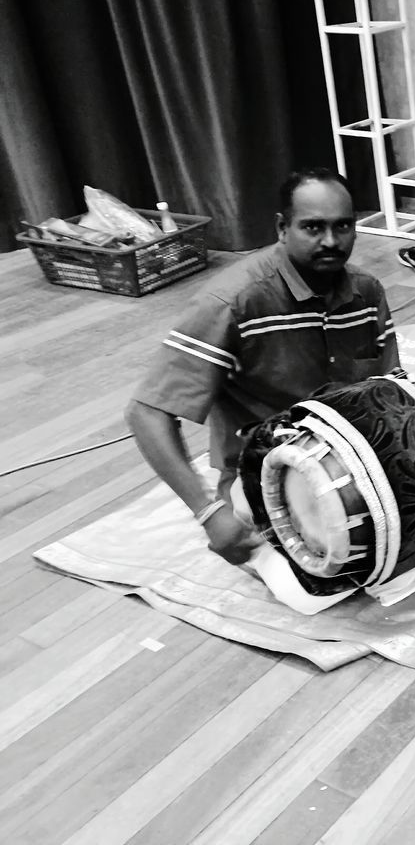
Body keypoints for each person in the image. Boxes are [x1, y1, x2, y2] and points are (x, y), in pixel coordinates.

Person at [125, 167, 399, 564]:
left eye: (343, 226)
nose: (331, 241)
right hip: (265, 474)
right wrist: (208, 513)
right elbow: (146, 412)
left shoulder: (367, 292)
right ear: (282, 227)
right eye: (313, 227)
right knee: (329, 573)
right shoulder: (232, 303)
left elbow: (389, 393)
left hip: (352, 461)